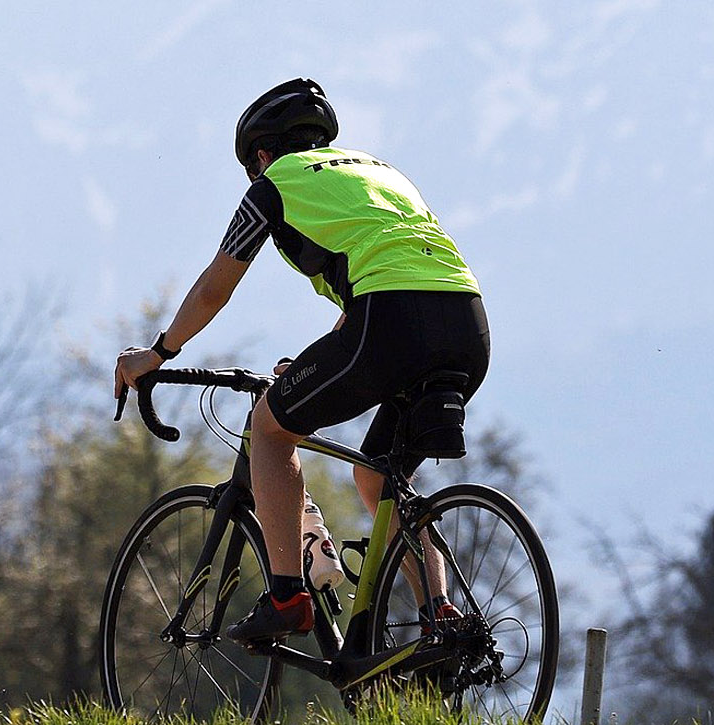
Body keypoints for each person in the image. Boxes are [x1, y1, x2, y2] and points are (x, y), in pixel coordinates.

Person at [114, 77, 489, 643]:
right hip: (468, 325)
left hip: (389, 324)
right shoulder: (379, 172)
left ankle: (287, 598)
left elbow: (218, 285)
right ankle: (441, 617)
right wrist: (316, 364)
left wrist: (160, 351)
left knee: (269, 428)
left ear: (262, 155)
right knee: (375, 475)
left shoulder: (275, 184)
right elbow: (387, 276)